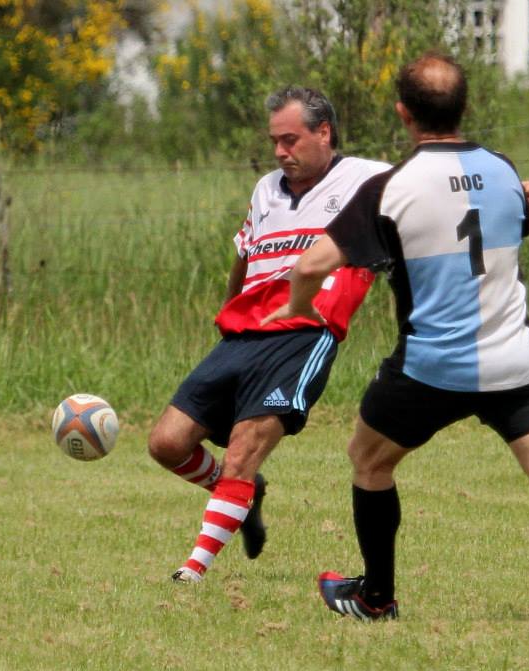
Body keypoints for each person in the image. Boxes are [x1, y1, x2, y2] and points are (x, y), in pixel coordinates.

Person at [262, 52, 529, 620]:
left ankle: (376, 597)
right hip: (513, 363)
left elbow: (309, 266)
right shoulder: (504, 172)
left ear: (403, 112)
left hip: (432, 366)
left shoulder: (389, 187)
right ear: (464, 107)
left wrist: (298, 309)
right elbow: (515, 223)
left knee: (368, 461)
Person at [147, 86, 392, 583]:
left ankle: (192, 571)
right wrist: (228, 309)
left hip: (305, 332)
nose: (280, 151)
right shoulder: (265, 189)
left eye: (290, 140)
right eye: (274, 141)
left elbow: (437, 183)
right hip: (244, 333)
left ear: (324, 133)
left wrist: (511, 187)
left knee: (242, 449)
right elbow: (244, 253)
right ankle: (244, 493)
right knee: (166, 443)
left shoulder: (369, 178)